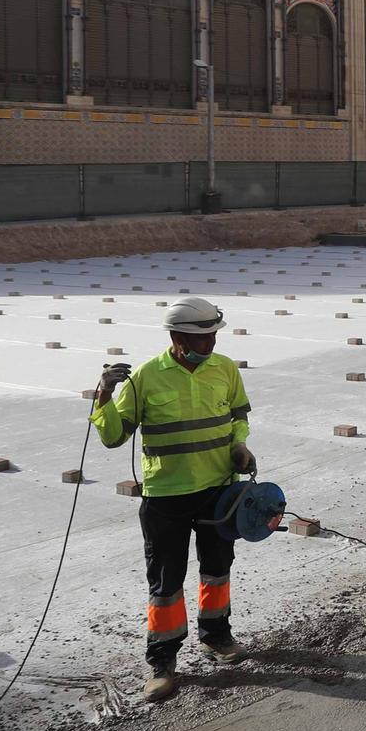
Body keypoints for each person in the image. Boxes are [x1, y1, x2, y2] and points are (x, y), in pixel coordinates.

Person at [91, 297, 255, 703]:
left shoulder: (225, 369)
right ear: (178, 338)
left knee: (216, 570)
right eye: (203, 338)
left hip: (218, 488)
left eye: (214, 334)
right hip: (167, 495)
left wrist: (240, 447)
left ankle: (216, 636)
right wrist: (103, 396)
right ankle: (162, 660)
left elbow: (239, 416)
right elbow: (114, 437)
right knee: (166, 581)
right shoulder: (146, 376)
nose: (212, 343)